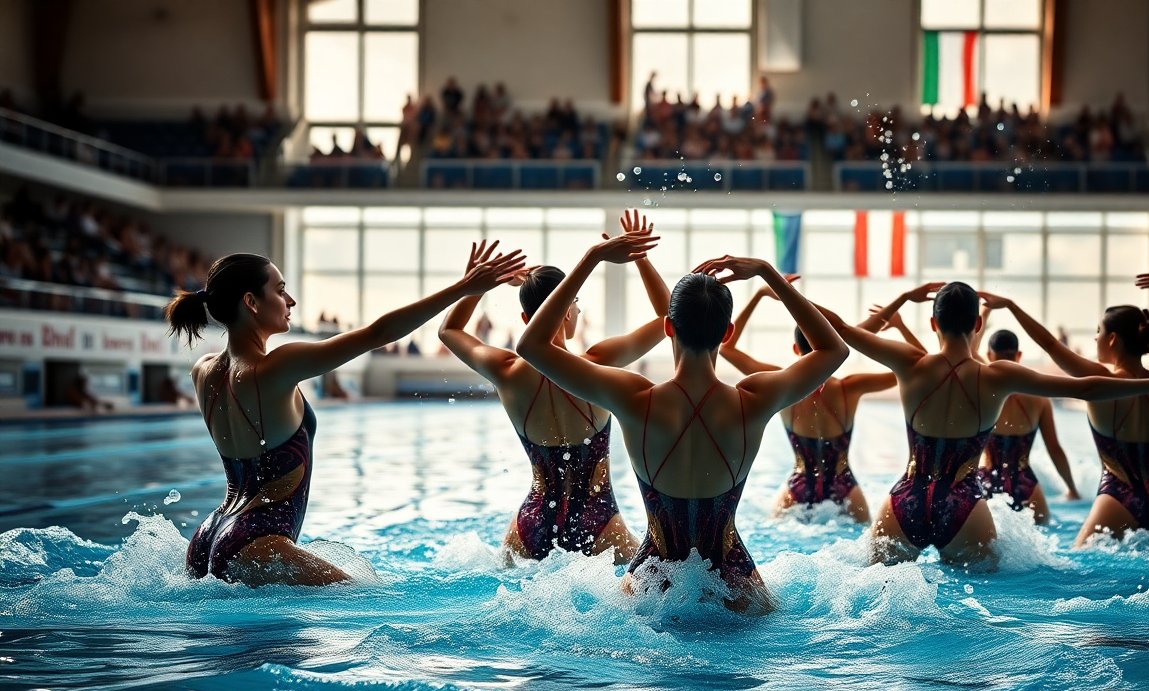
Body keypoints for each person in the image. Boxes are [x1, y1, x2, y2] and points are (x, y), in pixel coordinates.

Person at [516, 240, 848, 615]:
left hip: (651, 580)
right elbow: (834, 350)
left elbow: (531, 345)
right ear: (727, 332)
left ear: (668, 327)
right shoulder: (754, 399)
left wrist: (591, 258)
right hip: (733, 580)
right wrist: (767, 273)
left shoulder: (633, 397)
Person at [165, 248, 524, 586]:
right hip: (257, 544)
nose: (290, 301)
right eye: (281, 290)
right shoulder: (276, 367)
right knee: (378, 600)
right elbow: (378, 334)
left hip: (208, 538)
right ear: (251, 302)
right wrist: (464, 288)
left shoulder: (204, 371)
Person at [820, 282, 1149, 566]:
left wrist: (776, 284)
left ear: (933, 322)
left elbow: (836, 329)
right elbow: (1084, 388)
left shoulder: (910, 362)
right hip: (964, 505)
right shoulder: (998, 376)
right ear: (979, 323)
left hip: (905, 499)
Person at [437, 212, 669, 564]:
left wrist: (478, 284)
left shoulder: (506, 371)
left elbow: (448, 331)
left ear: (526, 320)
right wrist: (641, 257)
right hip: (600, 524)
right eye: (575, 304)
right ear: (567, 311)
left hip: (530, 525)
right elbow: (670, 318)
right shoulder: (597, 364)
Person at [979, 272, 1149, 547]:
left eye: (1098, 332)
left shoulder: (1101, 381)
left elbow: (1050, 344)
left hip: (1118, 498)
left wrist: (1012, 307)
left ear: (1112, 339)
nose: (1095, 339)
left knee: (1076, 571)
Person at [719, 278, 913, 522]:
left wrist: (759, 295)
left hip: (798, 487)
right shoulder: (849, 387)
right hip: (845, 488)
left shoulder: (781, 385)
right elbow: (911, 368)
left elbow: (726, 349)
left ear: (794, 349)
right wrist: (900, 325)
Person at [974, 328, 1081, 524]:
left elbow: (970, 353)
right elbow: (1054, 449)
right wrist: (1072, 489)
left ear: (989, 355)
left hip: (986, 481)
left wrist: (985, 313)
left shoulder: (981, 393)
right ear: (1019, 355)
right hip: (1026, 485)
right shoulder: (1039, 398)